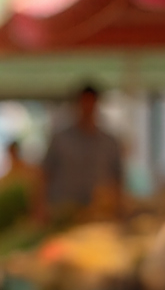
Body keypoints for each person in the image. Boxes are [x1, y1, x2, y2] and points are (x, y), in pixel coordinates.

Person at [41, 85, 124, 217]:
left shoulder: (109, 142)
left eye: (91, 103)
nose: (87, 108)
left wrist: (119, 206)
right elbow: (45, 174)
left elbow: (118, 178)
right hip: (63, 211)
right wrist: (40, 206)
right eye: (84, 103)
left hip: (98, 213)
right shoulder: (60, 139)